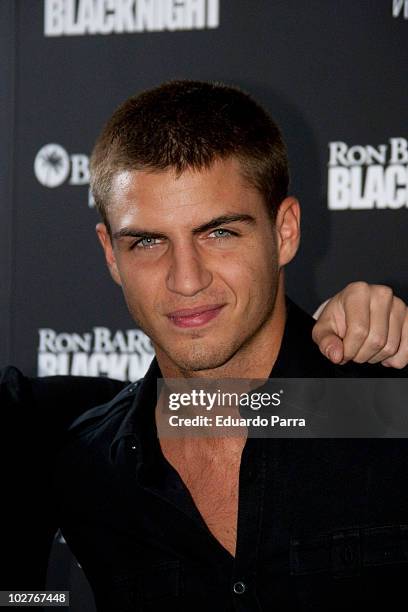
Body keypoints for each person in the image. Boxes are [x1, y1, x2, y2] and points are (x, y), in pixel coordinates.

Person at [2, 81, 407, 606]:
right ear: (110, 254)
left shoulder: (391, 410)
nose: (186, 280)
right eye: (148, 242)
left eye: (219, 233)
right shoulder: (85, 469)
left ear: (284, 231)